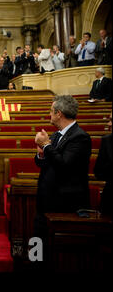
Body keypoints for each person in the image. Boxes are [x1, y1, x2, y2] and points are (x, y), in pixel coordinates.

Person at [33, 95, 91, 240]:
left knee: (57, 249)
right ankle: (37, 262)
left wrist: (46, 146)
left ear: (59, 113)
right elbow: (46, 164)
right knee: (39, 242)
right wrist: (41, 154)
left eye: (51, 111)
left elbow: (65, 165)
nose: (49, 114)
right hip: (46, 200)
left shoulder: (80, 137)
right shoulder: (56, 135)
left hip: (64, 204)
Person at [94, 113, 112, 215]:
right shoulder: (107, 140)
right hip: (110, 197)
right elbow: (98, 172)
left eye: (112, 120)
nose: (109, 124)